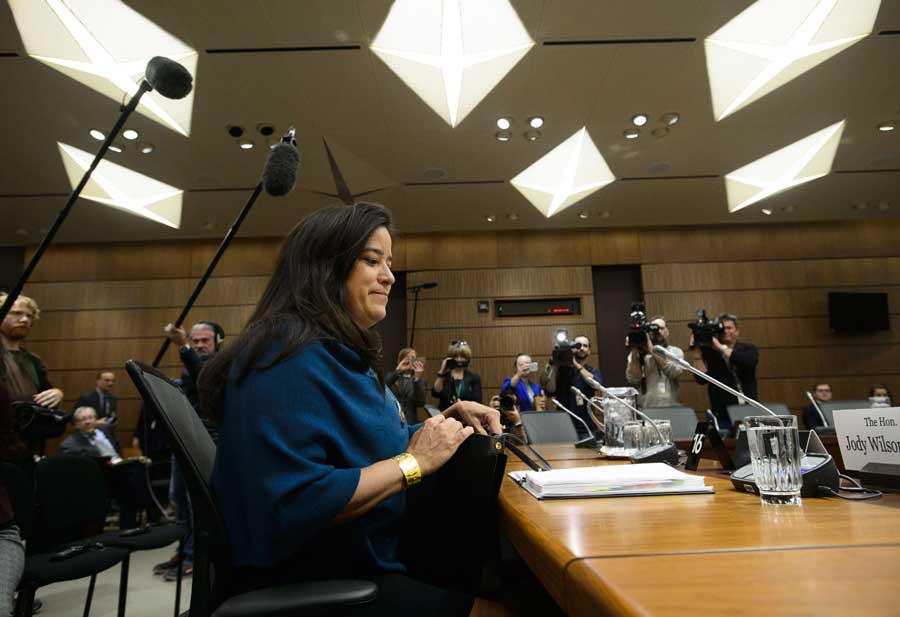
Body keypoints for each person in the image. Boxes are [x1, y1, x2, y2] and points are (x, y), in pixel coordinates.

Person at [199, 203, 507, 616]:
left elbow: (364, 450)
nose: (389, 276)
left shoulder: (329, 353)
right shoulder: (284, 358)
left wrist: (440, 424)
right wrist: (414, 462)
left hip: (364, 554)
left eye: (389, 263)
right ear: (324, 267)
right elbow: (296, 498)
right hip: (324, 578)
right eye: (371, 260)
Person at [153, 321, 223, 581]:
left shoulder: (220, 364)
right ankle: (185, 550)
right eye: (195, 341)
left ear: (219, 341)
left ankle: (197, 557)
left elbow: (203, 377)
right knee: (179, 500)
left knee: (199, 504)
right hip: (182, 438)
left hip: (208, 440)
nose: (200, 345)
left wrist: (182, 346)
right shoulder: (188, 368)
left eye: (205, 340)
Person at [60, 406, 151, 529]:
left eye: (91, 418)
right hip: (99, 478)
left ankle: (132, 523)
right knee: (133, 479)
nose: (88, 421)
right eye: (83, 419)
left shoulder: (105, 430)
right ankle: (149, 511)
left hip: (121, 470)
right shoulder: (70, 444)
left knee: (137, 470)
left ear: (96, 419)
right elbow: (78, 471)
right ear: (76, 424)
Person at [690, 313, 758, 432]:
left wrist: (721, 348)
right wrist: (697, 353)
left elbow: (748, 362)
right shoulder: (711, 354)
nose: (725, 331)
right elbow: (701, 379)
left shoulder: (748, 349)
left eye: (729, 328)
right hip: (723, 413)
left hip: (749, 410)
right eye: (722, 328)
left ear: (737, 331)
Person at [0, 293, 64, 413]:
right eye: (17, 313)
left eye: (29, 316)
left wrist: (57, 394)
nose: (25, 319)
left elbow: (45, 392)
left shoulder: (34, 361)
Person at [544, 335, 602, 438]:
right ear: (572, 349)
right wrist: (554, 366)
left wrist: (575, 364)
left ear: (589, 351)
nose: (581, 348)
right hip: (564, 427)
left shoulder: (592, 371)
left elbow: (596, 385)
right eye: (578, 345)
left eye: (585, 346)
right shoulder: (560, 371)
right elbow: (550, 390)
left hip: (586, 426)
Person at [625, 317, 684, 408]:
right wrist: (634, 350)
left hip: (672, 408)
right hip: (646, 410)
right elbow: (633, 380)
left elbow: (674, 372)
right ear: (648, 332)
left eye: (661, 328)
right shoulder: (637, 355)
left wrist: (652, 350)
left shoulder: (675, 352)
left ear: (667, 331)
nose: (657, 331)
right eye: (653, 329)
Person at [432, 341, 483, 411]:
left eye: (462, 356)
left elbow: (477, 401)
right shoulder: (445, 376)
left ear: (467, 358)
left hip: (466, 416)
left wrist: (462, 405)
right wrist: (442, 371)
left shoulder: (474, 378)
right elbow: (436, 393)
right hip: (446, 416)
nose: (459, 359)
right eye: (455, 356)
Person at [386, 348, 426, 425]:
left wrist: (417, 379)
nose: (410, 361)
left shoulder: (419, 381)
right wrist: (398, 370)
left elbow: (420, 403)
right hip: (393, 421)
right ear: (400, 361)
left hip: (410, 423)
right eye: (407, 359)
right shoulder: (392, 377)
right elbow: (382, 388)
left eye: (413, 359)